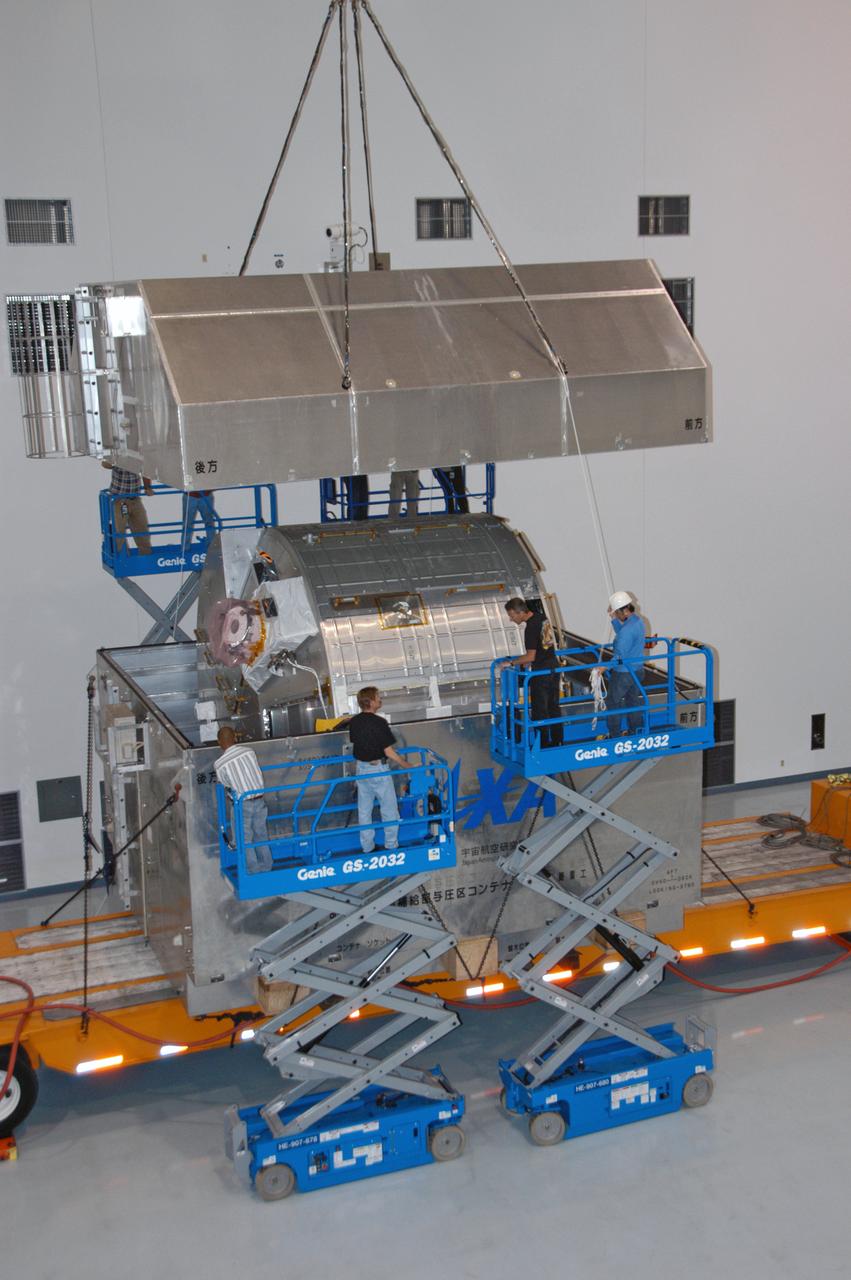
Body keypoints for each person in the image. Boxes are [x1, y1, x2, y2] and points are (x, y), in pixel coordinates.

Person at [347, 686, 406, 853]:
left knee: (364, 811)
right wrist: (407, 765)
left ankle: (367, 847)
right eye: (378, 697)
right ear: (371, 701)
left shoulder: (355, 721)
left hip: (362, 769)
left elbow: (358, 743)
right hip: (378, 770)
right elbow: (389, 752)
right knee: (389, 809)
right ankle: (391, 845)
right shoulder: (379, 722)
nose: (380, 699)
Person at [500, 599, 562, 748]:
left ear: (521, 612)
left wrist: (511, 663)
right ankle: (557, 742)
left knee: (540, 712)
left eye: (512, 615)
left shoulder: (530, 628)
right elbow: (545, 646)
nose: (511, 619)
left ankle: (543, 746)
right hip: (553, 667)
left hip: (541, 674)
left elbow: (531, 656)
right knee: (553, 708)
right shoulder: (541, 618)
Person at [213, 727, 273, 872]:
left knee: (244, 839)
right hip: (259, 799)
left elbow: (226, 785)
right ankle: (267, 867)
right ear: (235, 737)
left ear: (219, 742)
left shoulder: (219, 764)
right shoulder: (249, 751)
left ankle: (253, 872)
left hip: (242, 804)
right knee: (261, 835)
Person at [602, 591, 646, 735]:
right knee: (632, 702)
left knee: (613, 702)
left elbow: (620, 657)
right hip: (637, 670)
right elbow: (623, 633)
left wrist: (603, 667)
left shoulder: (627, 631)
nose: (616, 615)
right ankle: (635, 732)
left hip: (623, 673)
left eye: (617, 613)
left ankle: (614, 735)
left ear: (625, 610)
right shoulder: (637, 621)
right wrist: (614, 619)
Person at [102, 462, 153, 555]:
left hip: (135, 500)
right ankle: (122, 557)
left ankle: (146, 556)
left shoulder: (138, 453)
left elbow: (146, 470)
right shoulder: (118, 452)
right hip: (120, 501)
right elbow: (105, 464)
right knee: (119, 531)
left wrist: (147, 487)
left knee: (142, 529)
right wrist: (113, 461)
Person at [180, 489, 220, 558]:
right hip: (191, 495)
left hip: (203, 495)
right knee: (187, 524)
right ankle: (185, 550)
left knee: (209, 523)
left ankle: (212, 547)